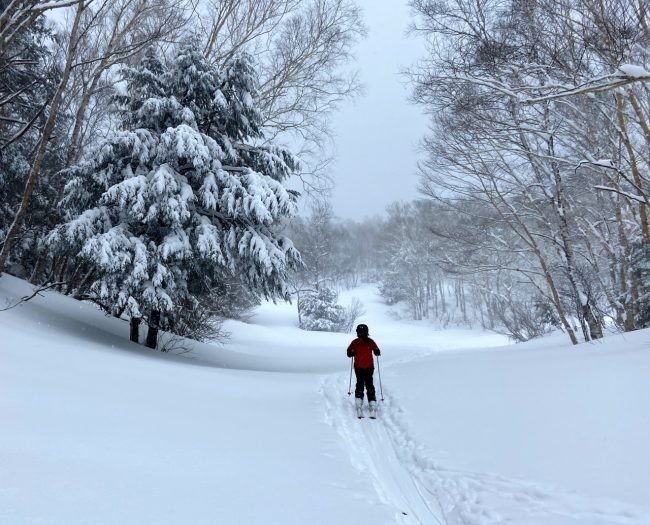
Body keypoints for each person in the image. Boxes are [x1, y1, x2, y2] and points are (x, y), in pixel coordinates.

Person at [347, 323, 381, 417]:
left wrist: (377, 351)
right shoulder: (355, 342)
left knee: (369, 384)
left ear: (366, 332)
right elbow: (349, 351)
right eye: (359, 331)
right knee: (360, 384)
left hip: (369, 367)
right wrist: (351, 353)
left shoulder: (370, 341)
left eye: (362, 331)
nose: (360, 333)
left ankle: (372, 402)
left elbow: (376, 349)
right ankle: (359, 401)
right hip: (358, 367)